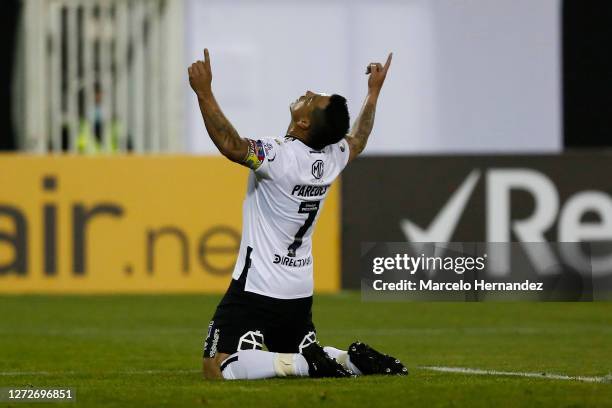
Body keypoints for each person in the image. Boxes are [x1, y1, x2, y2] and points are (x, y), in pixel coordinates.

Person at [189, 48, 406, 380]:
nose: (307, 93)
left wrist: (204, 93)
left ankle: (308, 364)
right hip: (298, 289)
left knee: (217, 366)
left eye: (312, 99)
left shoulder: (278, 157)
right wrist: (373, 94)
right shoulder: (332, 157)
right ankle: (351, 360)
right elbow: (359, 139)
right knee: (289, 353)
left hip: (259, 284)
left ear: (304, 122)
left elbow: (232, 145)